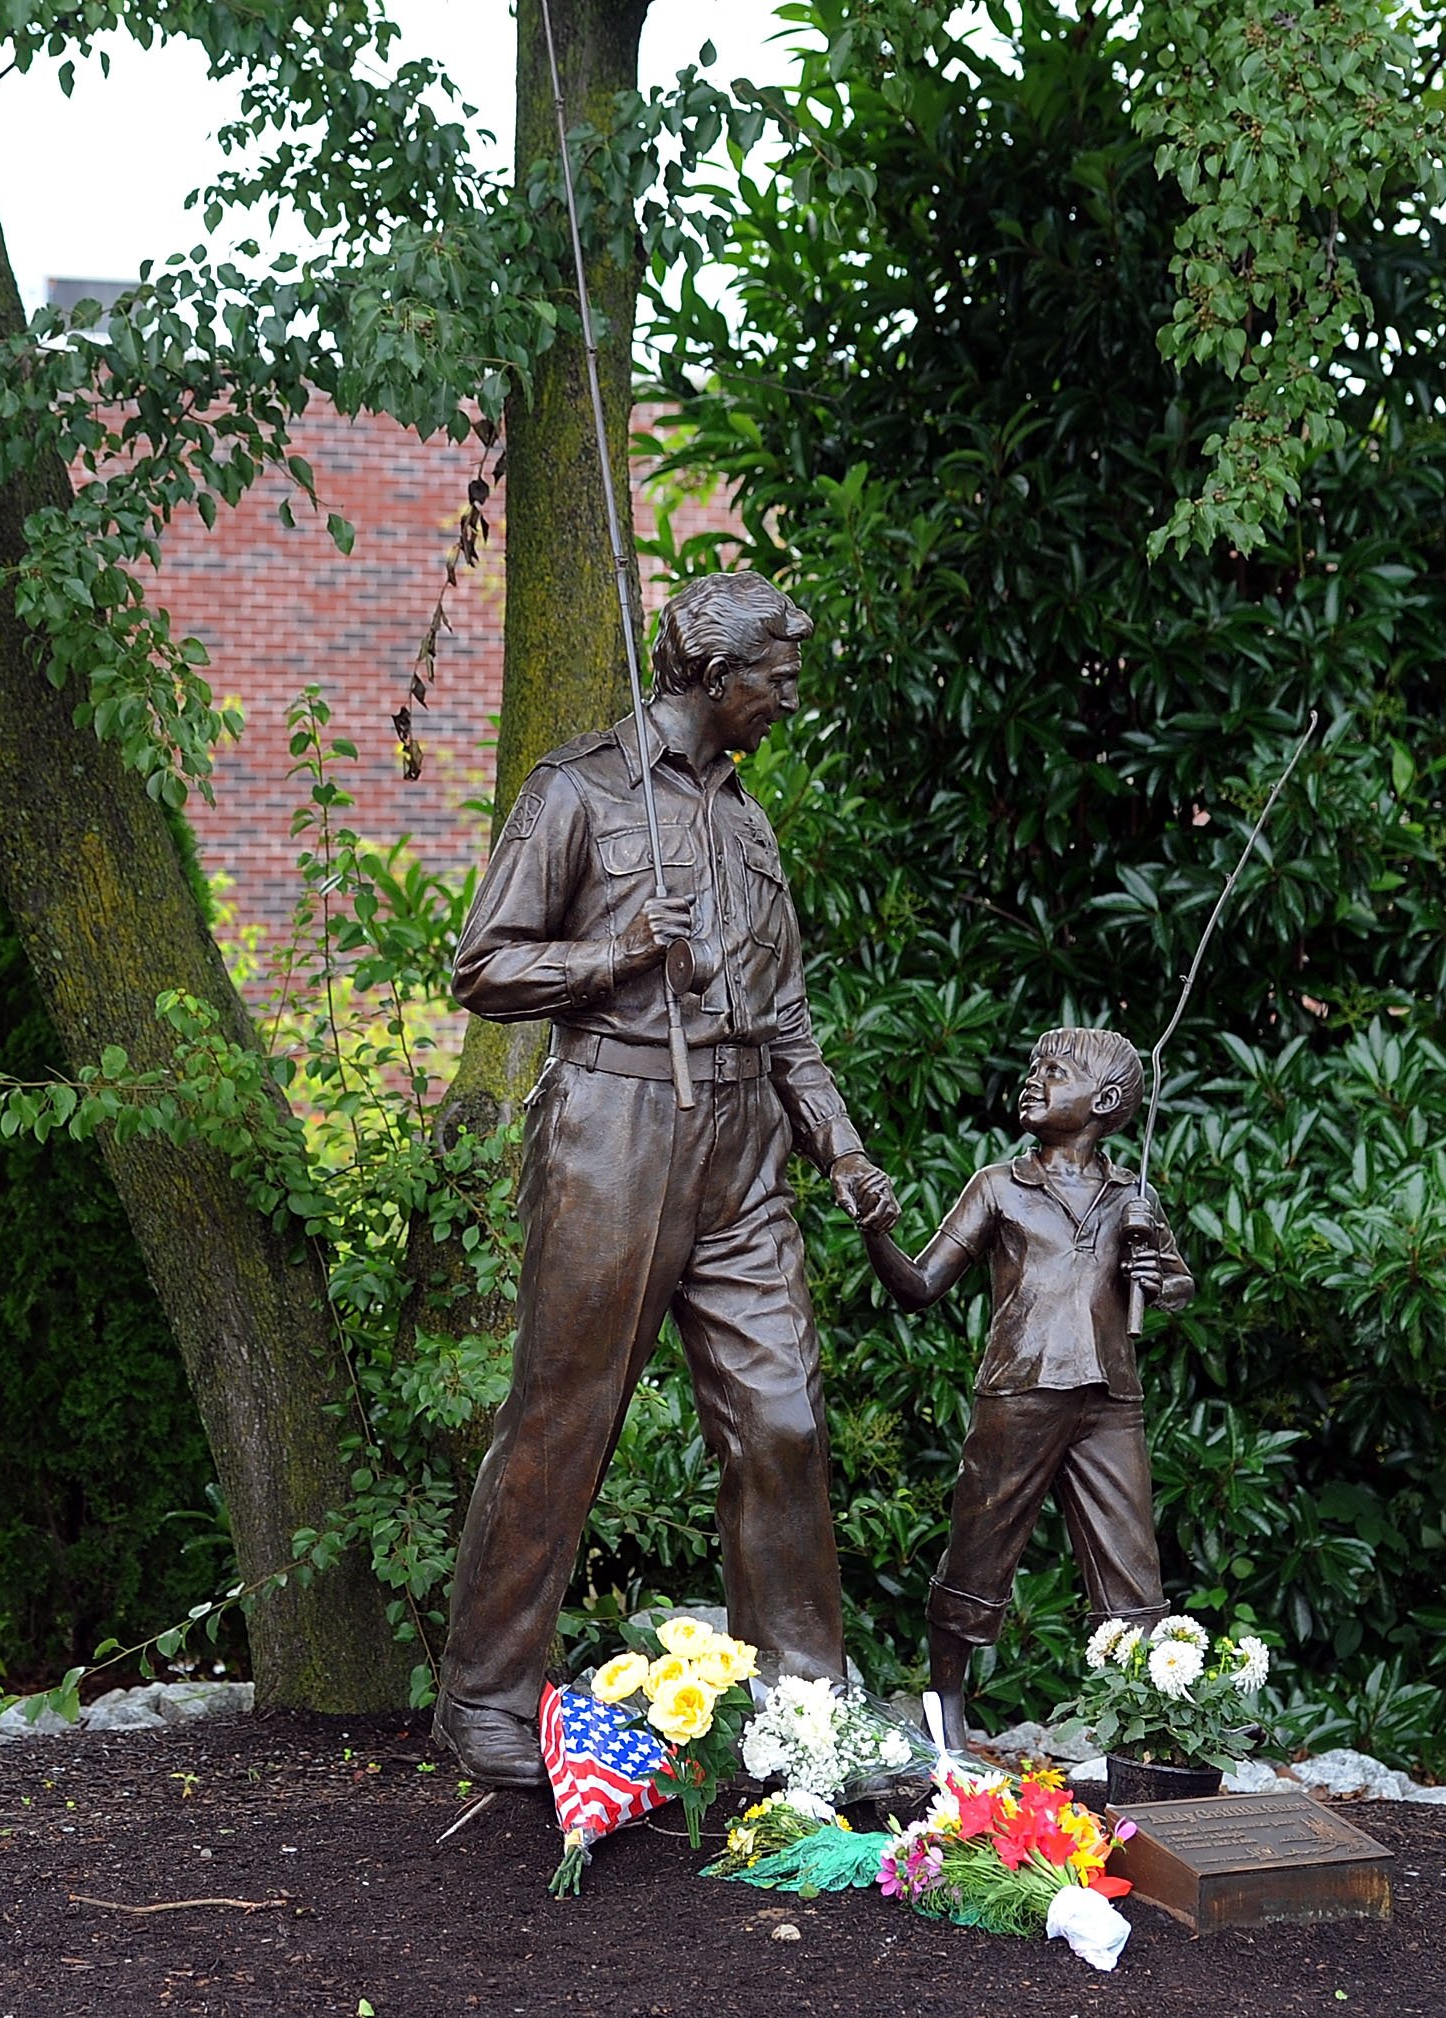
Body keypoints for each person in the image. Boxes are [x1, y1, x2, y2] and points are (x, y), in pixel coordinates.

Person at [431, 570, 895, 1788]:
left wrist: (838, 1144)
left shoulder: (748, 822)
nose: (786, 704)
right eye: (775, 682)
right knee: (564, 1413)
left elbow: (786, 1015)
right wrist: (615, 953)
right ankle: (483, 1693)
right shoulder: (578, 789)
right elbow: (483, 965)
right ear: (709, 675)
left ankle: (805, 1718)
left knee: (782, 1416)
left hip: (746, 1134)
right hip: (615, 1119)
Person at [857, 1026, 1194, 1751]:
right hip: (1021, 1390)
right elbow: (919, 1285)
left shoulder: (1132, 1196)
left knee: (1132, 1567)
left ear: (1105, 1100)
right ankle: (946, 1707)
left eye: (1055, 1070)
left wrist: (1158, 1280)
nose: (1034, 1078)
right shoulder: (999, 1186)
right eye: (1034, 1063)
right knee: (979, 1549)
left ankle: (1146, 1731)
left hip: (1110, 1399)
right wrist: (876, 1234)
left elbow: (1177, 1282)